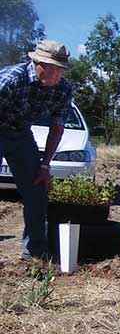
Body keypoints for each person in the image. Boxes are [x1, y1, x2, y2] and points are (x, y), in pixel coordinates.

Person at [0, 39, 71, 260]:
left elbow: (57, 128)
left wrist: (45, 165)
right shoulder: (11, 80)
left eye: (60, 70)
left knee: (37, 189)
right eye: (52, 68)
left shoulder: (63, 90)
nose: (56, 75)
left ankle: (35, 252)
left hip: (20, 134)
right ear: (37, 62)